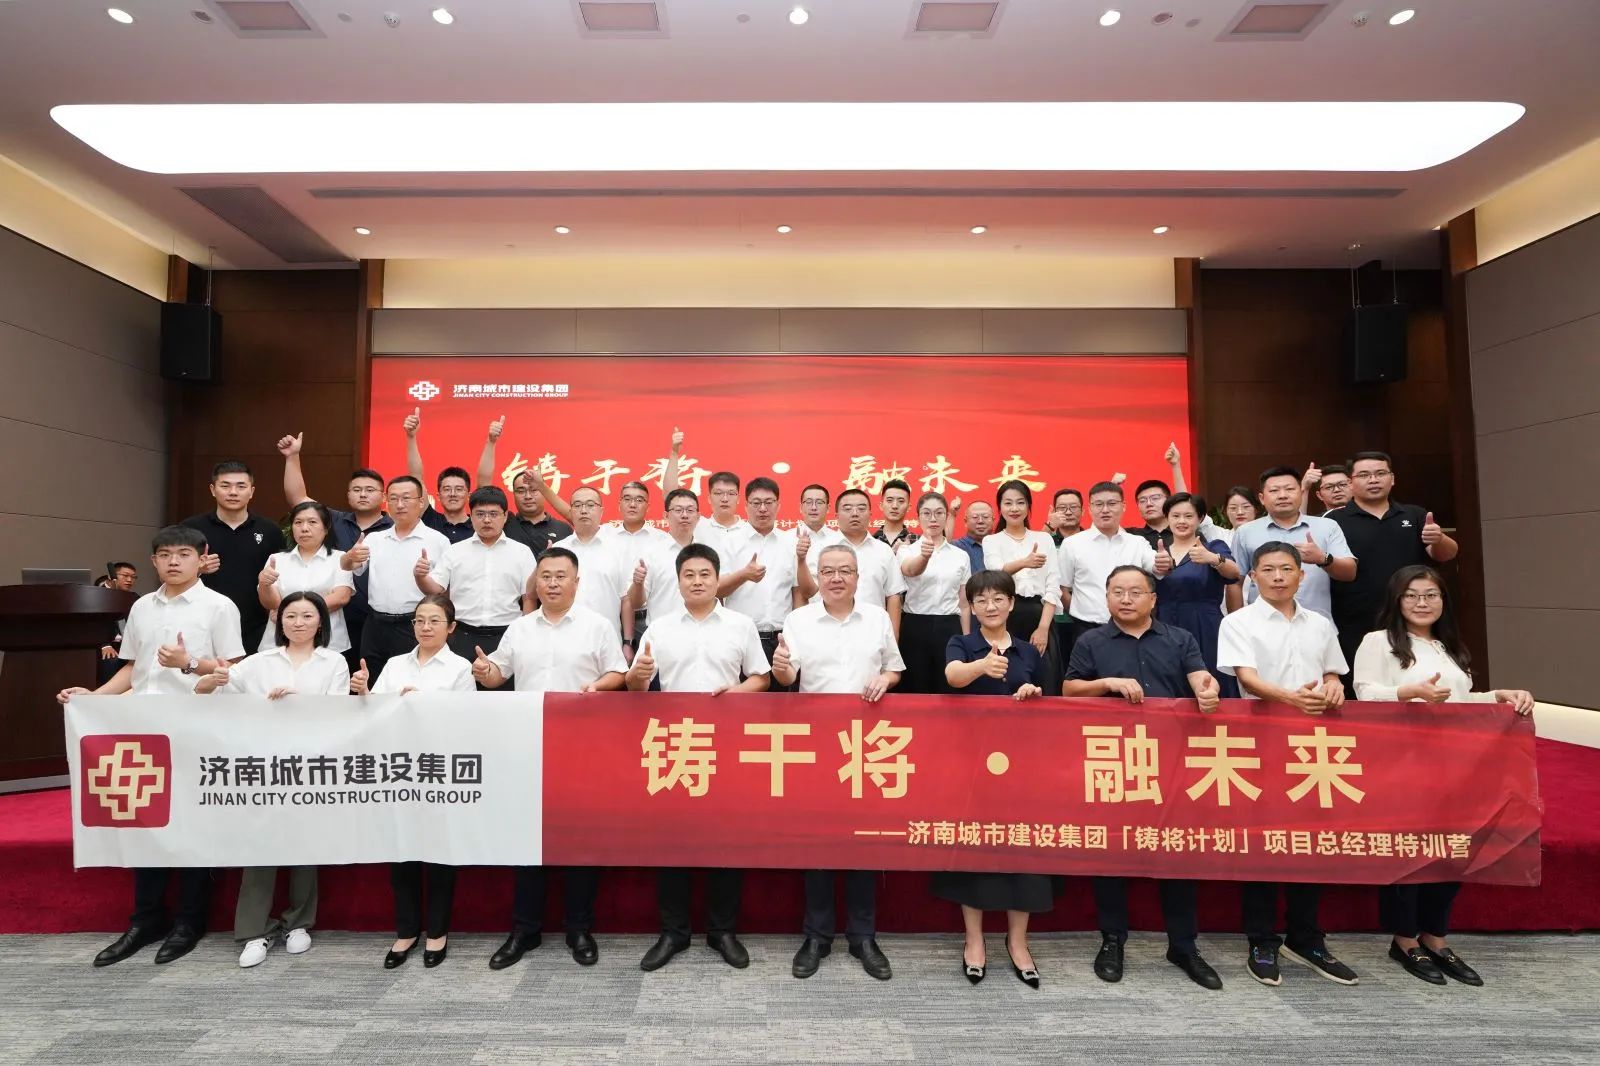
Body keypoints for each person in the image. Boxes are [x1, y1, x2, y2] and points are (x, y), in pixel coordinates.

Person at [56, 525, 246, 968]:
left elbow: (234, 672)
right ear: (154, 561)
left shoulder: (219, 606)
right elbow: (132, 670)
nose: (173, 561)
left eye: (183, 553)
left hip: (197, 727)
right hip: (142, 730)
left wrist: (187, 665)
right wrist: (93, 697)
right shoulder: (141, 606)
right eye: (165, 554)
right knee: (145, 821)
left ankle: (189, 921)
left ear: (202, 557)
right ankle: (146, 919)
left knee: (194, 825)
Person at [1353, 565, 1534, 987]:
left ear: (1442, 601)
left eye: (1431, 595)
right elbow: (1363, 695)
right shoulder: (1378, 642)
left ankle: (1435, 937)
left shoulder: (1447, 645)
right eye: (1412, 595)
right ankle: (1404, 940)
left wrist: (1498, 696)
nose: (1422, 603)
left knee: (1452, 848)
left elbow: (1460, 702)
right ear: (1397, 600)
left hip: (1456, 764)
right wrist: (1409, 693)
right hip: (1402, 763)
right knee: (1410, 852)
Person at [1064, 565, 1223, 990]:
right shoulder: (1091, 641)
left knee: (1176, 853)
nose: (1126, 599)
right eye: (1117, 591)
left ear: (1153, 598)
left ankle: (1183, 945)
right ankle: (1112, 939)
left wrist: (1207, 692)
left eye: (1135, 592)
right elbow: (1069, 689)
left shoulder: (1180, 639)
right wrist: (1107, 683)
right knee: (1112, 854)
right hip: (1112, 760)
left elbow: (1200, 679)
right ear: (1106, 597)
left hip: (1170, 761)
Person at [474, 547, 626, 970]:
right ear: (535, 582)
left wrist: (599, 686)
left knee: (580, 841)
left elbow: (619, 673)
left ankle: (579, 928)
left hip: (581, 749)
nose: (553, 583)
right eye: (546, 576)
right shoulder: (519, 628)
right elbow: (497, 676)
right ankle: (525, 929)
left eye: (561, 576)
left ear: (577, 582)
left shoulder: (597, 626)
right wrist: (485, 672)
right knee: (528, 840)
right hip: (529, 746)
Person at [1215, 542, 1359, 988]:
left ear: (1302, 575)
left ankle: (1306, 936)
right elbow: (1246, 678)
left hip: (1316, 744)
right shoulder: (1238, 621)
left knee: (1311, 839)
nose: (1278, 577)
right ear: (1253, 577)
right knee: (1263, 839)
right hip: (1262, 741)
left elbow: (1333, 671)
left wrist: (1334, 686)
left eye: (1286, 569)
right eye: (1268, 570)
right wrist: (1291, 698)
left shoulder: (1320, 623)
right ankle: (1262, 939)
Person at [629, 544, 770, 973]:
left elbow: (762, 679)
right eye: (688, 575)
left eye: (705, 574)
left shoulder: (741, 625)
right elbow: (637, 688)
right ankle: (673, 931)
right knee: (672, 840)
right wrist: (636, 678)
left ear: (717, 578)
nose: (697, 581)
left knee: (726, 838)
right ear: (678, 581)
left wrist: (736, 693)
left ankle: (722, 930)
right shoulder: (659, 628)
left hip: (726, 743)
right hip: (675, 744)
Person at [195, 590, 349, 969]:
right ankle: (254, 930)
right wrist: (210, 677)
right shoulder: (258, 662)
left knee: (304, 847)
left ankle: (298, 922)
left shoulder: (334, 662)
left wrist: (300, 699)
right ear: (279, 621)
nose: (298, 622)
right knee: (259, 847)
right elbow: (210, 690)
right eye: (291, 616)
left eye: (307, 616)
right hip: (262, 767)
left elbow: (341, 714)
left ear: (321, 622)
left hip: (311, 768)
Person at [772, 543, 902, 982]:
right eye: (827, 571)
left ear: (857, 577)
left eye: (845, 570)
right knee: (819, 841)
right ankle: (817, 935)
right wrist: (781, 668)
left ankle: (863, 936)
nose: (836, 578)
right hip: (817, 744)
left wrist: (885, 679)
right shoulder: (799, 620)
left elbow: (895, 669)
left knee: (864, 841)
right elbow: (788, 678)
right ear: (817, 577)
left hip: (866, 745)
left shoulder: (877, 618)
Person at [937, 570, 1052, 989]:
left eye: (998, 598)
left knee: (1023, 850)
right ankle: (974, 940)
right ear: (971, 606)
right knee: (975, 850)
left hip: (1022, 766)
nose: (990, 606)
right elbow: (952, 676)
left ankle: (1018, 941)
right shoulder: (961, 643)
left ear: (1012, 603)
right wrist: (982, 665)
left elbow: (1049, 698)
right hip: (972, 764)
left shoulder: (1029, 650)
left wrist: (1032, 694)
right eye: (981, 600)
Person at [350, 593, 474, 969]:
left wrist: (424, 704)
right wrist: (365, 693)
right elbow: (376, 715)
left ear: (451, 628)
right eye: (419, 620)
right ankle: (406, 931)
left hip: (439, 771)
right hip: (399, 769)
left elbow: (466, 720)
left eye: (434, 621)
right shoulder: (394, 664)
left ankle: (437, 932)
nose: (425, 627)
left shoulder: (460, 669)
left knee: (439, 855)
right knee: (402, 854)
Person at [1328, 451, 1459, 672]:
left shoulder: (1414, 514)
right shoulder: (1334, 521)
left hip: (1412, 615)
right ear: (1350, 482)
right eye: (1364, 475)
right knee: (1362, 680)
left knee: (1415, 675)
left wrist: (1439, 539)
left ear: (1392, 478)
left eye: (1380, 473)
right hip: (1354, 618)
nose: (1373, 480)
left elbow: (1446, 554)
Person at [278, 431, 393, 671]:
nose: (363, 494)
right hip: (335, 618)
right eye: (357, 489)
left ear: (383, 496)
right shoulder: (333, 520)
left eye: (370, 490)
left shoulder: (394, 528)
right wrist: (292, 456)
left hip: (379, 620)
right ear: (348, 494)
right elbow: (298, 498)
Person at [340, 475, 451, 683]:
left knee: (409, 683)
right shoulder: (375, 538)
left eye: (406, 498)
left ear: (421, 502)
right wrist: (349, 556)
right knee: (371, 682)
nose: (399, 505)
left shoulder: (438, 541)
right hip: (375, 624)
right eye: (393, 499)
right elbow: (348, 566)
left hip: (413, 625)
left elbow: (440, 590)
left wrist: (421, 576)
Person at [415, 486, 536, 667]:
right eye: (480, 514)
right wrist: (421, 576)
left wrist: (527, 634)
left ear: (505, 516)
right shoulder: (455, 551)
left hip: (506, 635)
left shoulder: (522, 552)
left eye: (493, 514)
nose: (486, 520)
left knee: (504, 685)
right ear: (470, 516)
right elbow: (435, 589)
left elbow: (529, 598)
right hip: (461, 635)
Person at [183, 460, 286, 651]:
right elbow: (170, 575)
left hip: (256, 627)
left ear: (251, 491)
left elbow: (283, 578)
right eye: (225, 486)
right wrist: (197, 570)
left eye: (241, 486)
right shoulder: (191, 528)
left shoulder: (270, 530)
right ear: (213, 490)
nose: (233, 492)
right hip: (201, 623)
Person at [1230, 465, 1356, 620]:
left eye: (1289, 489)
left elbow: (1350, 573)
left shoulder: (1327, 526)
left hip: (1316, 625)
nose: (1283, 495)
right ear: (1262, 498)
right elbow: (1235, 582)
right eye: (1274, 490)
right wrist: (1237, 622)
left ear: (1301, 493)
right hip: (1261, 625)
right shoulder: (1245, 532)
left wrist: (1322, 559)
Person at [1057, 481, 1160, 657]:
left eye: (1112, 503)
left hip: (1132, 629)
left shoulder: (1137, 543)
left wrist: (1165, 563)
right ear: (1089, 508)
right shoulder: (1072, 544)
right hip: (1086, 629)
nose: (1105, 510)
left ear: (1123, 506)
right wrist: (1079, 611)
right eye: (1099, 504)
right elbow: (1063, 588)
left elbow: (1158, 568)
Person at [1154, 493, 1241, 698]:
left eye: (1188, 516)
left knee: (1210, 684)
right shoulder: (1158, 552)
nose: (1181, 521)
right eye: (1175, 516)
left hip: (1205, 625)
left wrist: (1212, 559)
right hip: (1164, 625)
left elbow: (1234, 573)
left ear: (1200, 518)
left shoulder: (1214, 547)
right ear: (1167, 518)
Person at [718, 477, 801, 687]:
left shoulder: (790, 542)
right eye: (756, 503)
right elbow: (716, 590)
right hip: (741, 636)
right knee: (743, 700)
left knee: (783, 701)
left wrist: (798, 634)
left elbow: (798, 592)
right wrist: (743, 575)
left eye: (768, 502)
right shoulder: (729, 542)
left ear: (778, 505)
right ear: (746, 506)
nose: (762, 509)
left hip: (782, 639)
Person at [981, 481, 1061, 692]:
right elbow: (996, 572)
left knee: (1044, 681)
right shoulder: (991, 540)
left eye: (1020, 502)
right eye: (1008, 503)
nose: (1014, 508)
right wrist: (1025, 562)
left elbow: (1053, 585)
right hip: (1005, 617)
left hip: (1039, 616)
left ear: (1028, 506)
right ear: (1000, 508)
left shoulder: (1044, 539)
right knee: (1008, 681)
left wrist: (1043, 628)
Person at [798, 489, 907, 638]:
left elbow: (893, 596)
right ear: (836, 515)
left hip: (872, 632)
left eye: (861, 508)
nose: (855, 513)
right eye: (847, 509)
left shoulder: (883, 550)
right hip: (826, 631)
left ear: (870, 514)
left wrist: (892, 639)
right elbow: (807, 592)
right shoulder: (818, 548)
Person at [256, 501, 355, 655]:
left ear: (326, 528)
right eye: (298, 522)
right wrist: (264, 584)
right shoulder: (276, 559)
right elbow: (271, 603)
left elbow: (341, 597)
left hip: (327, 643)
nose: (304, 528)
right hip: (280, 642)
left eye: (312, 522)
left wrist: (290, 612)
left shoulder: (340, 558)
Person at [895, 491, 971, 693]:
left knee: (948, 688)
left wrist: (966, 638)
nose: (933, 519)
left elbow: (964, 603)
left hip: (949, 626)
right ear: (918, 517)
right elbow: (910, 570)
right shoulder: (907, 550)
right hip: (915, 625)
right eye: (927, 513)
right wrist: (924, 557)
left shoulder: (960, 555)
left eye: (939, 513)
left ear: (946, 516)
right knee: (915, 688)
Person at [550, 486, 633, 641]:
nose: (583, 510)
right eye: (577, 505)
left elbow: (626, 599)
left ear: (601, 511)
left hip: (607, 639)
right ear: (571, 511)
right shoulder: (558, 549)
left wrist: (628, 642)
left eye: (590, 505)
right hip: (565, 637)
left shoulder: (619, 548)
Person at [405, 405, 497, 544]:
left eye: (459, 489)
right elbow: (416, 477)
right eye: (447, 489)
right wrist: (411, 437)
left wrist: (491, 442)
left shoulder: (479, 523)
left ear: (469, 495)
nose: (453, 494)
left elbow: (484, 482)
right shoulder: (429, 519)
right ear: (438, 496)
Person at [628, 488, 702, 659]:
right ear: (666, 516)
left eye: (690, 510)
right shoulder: (651, 553)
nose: (684, 515)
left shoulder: (707, 552)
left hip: (700, 637)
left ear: (698, 516)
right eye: (678, 510)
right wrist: (637, 583)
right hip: (661, 638)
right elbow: (635, 603)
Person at [97, 561, 139, 682]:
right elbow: (94, 624)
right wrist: (104, 644)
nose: (129, 580)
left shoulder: (134, 597)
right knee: (111, 660)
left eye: (133, 577)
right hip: (103, 643)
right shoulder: (96, 594)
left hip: (126, 643)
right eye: (125, 575)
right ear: (112, 576)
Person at [950, 499, 993, 575]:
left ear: (993, 520)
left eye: (985, 517)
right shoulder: (955, 546)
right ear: (965, 521)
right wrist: (952, 515)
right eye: (975, 517)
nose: (980, 521)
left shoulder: (1001, 544)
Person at [797, 483, 843, 552]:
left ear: (828, 508)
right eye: (808, 502)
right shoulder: (786, 538)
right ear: (801, 507)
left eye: (819, 502)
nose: (814, 507)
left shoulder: (839, 540)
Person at [873, 479, 917, 550]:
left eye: (901, 501)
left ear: (908, 507)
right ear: (881, 505)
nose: (895, 506)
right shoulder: (870, 541)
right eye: (889, 500)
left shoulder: (917, 542)